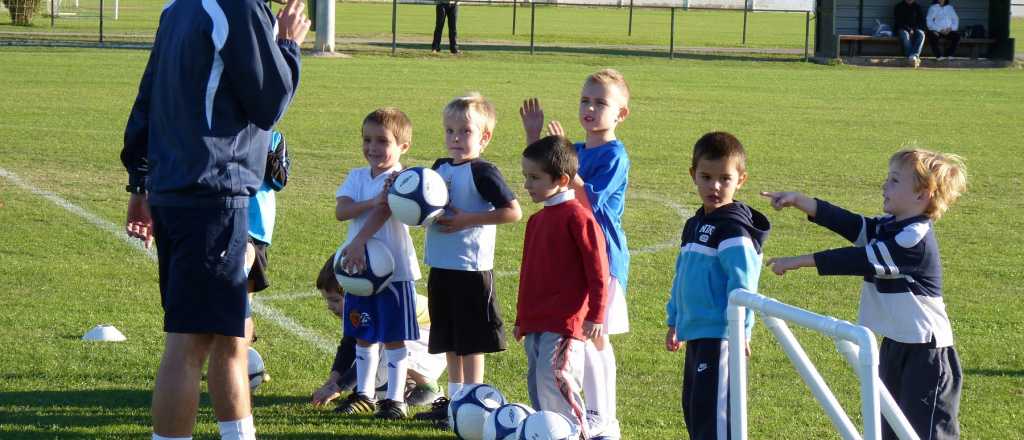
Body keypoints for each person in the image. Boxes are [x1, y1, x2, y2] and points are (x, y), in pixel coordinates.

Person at [120, 0, 309, 437]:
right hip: (212, 193)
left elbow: (146, 100)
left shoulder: (177, 7)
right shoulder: (236, 6)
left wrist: (140, 183)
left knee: (232, 337)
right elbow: (269, 101)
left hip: (183, 189)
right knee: (190, 342)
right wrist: (287, 44)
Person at [763, 148, 966, 440]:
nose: (884, 185)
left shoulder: (914, 238)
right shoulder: (889, 226)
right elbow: (851, 224)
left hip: (927, 355)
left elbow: (859, 259)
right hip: (895, 345)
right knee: (889, 428)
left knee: (923, 434)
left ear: (922, 194)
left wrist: (798, 261)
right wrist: (800, 201)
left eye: (895, 181)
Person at [519, 68, 631, 440]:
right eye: (585, 100)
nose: (590, 108)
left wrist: (568, 163)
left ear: (621, 114)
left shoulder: (615, 154)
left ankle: (605, 418)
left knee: (598, 337)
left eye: (601, 102)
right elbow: (548, 173)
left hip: (604, 257)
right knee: (583, 341)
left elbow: (586, 198)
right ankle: (583, 415)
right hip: (573, 258)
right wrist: (537, 139)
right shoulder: (578, 150)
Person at [415, 93, 523, 428]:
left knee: (471, 341)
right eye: (450, 131)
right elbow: (420, 203)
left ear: (484, 137)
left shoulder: (484, 172)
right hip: (441, 267)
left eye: (465, 131)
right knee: (449, 338)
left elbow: (513, 212)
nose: (456, 139)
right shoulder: (439, 167)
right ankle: (454, 404)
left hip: (471, 269)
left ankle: (474, 404)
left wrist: (466, 220)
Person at [664, 132, 769, 440]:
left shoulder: (733, 228)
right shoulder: (694, 224)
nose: (715, 186)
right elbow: (682, 274)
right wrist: (675, 319)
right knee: (696, 411)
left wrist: (742, 331)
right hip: (695, 332)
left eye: (725, 178)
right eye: (706, 177)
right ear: (693, 175)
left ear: (741, 179)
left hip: (721, 336)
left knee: (716, 419)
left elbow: (743, 285)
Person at [332, 108, 422, 420]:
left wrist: (357, 242)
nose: (372, 147)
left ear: (403, 147)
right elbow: (342, 211)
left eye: (382, 141)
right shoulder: (357, 177)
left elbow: (385, 212)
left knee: (395, 336)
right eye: (367, 139)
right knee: (363, 332)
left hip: (394, 273)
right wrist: (371, 201)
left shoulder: (403, 181)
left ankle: (395, 399)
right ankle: (364, 394)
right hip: (359, 273)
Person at [516, 135, 608, 436]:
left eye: (534, 178)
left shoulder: (579, 219)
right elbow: (528, 273)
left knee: (555, 376)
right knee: (537, 383)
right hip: (536, 320)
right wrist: (522, 318)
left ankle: (577, 432)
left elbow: (597, 270)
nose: (527, 185)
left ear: (562, 179)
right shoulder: (536, 221)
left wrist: (597, 314)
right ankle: (547, 431)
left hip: (565, 321)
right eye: (526, 176)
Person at [310, 255, 445, 408]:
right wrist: (332, 381)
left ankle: (429, 388)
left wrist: (339, 387)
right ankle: (407, 381)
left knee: (379, 357)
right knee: (365, 382)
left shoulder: (384, 304)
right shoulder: (362, 302)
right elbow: (348, 344)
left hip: (433, 343)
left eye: (335, 300)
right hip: (413, 339)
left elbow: (378, 347)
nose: (330, 306)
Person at [243, 130, 291, 346]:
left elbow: (279, 181)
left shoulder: (275, 138)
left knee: (243, 298)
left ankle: (241, 357)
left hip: (257, 227)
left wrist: (263, 147)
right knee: (224, 296)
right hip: (225, 218)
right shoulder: (228, 127)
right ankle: (235, 357)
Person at [895, 0, 928, 67]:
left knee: (921, 34)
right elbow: (899, 22)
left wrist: (914, 29)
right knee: (905, 35)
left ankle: (914, 55)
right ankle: (911, 58)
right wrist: (909, 29)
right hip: (902, 28)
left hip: (915, 29)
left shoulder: (917, 7)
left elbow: (921, 21)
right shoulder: (899, 7)